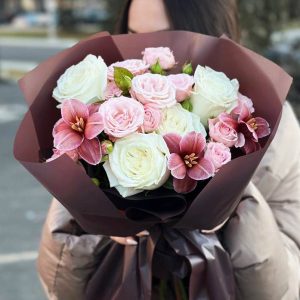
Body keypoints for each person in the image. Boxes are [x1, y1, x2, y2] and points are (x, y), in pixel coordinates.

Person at [37, 0, 300, 299]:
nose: (146, 56)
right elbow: (59, 287)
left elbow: (286, 287)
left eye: (164, 40)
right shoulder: (101, 129)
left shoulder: (273, 127)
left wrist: (237, 203)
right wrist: (88, 219)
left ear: (210, 35)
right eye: (132, 35)